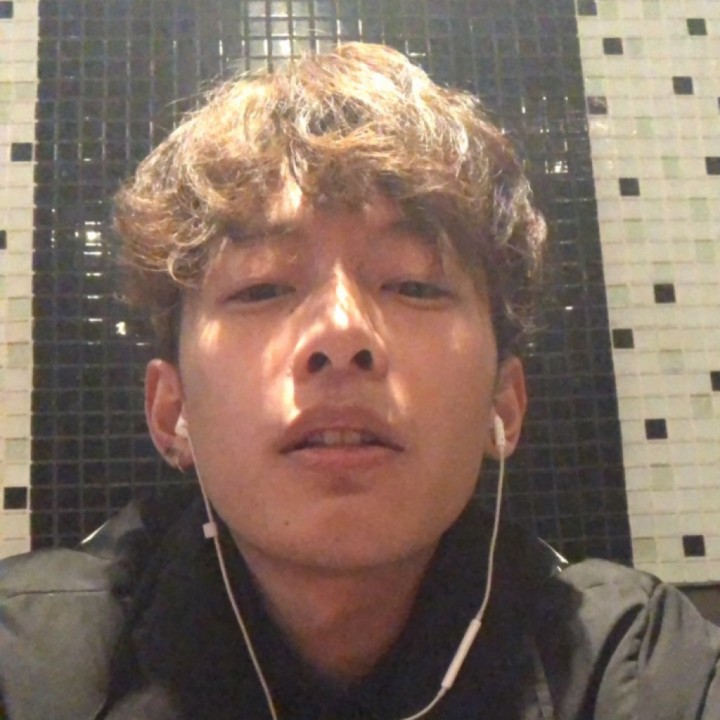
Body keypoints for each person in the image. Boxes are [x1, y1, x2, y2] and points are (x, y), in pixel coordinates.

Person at [1, 42, 718, 720]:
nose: (341, 334)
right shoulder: (27, 661)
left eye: (415, 285)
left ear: (503, 402)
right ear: (172, 409)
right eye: (261, 289)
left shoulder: (633, 666)